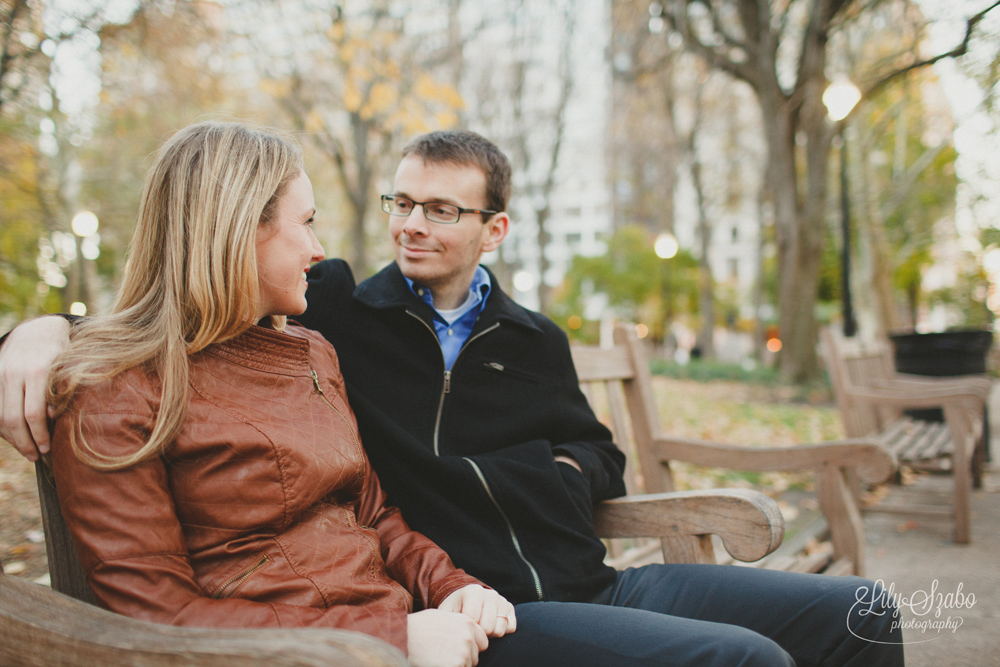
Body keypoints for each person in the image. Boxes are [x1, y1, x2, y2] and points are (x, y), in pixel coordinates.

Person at [1, 129, 903, 666]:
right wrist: (43, 328)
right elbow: (166, 309)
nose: (407, 224)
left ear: (492, 229)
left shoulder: (528, 339)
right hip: (441, 619)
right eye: (402, 202)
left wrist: (532, 486)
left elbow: (589, 459)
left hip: (550, 583)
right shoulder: (346, 317)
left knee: (866, 615)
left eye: (440, 209)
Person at [31, 121, 516, 667]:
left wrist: (450, 586)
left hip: (414, 630)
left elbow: (374, 514)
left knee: (631, 646)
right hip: (316, 653)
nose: (319, 248)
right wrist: (388, 639)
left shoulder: (312, 352)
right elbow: (158, 616)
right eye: (306, 224)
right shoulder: (117, 389)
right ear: (236, 232)